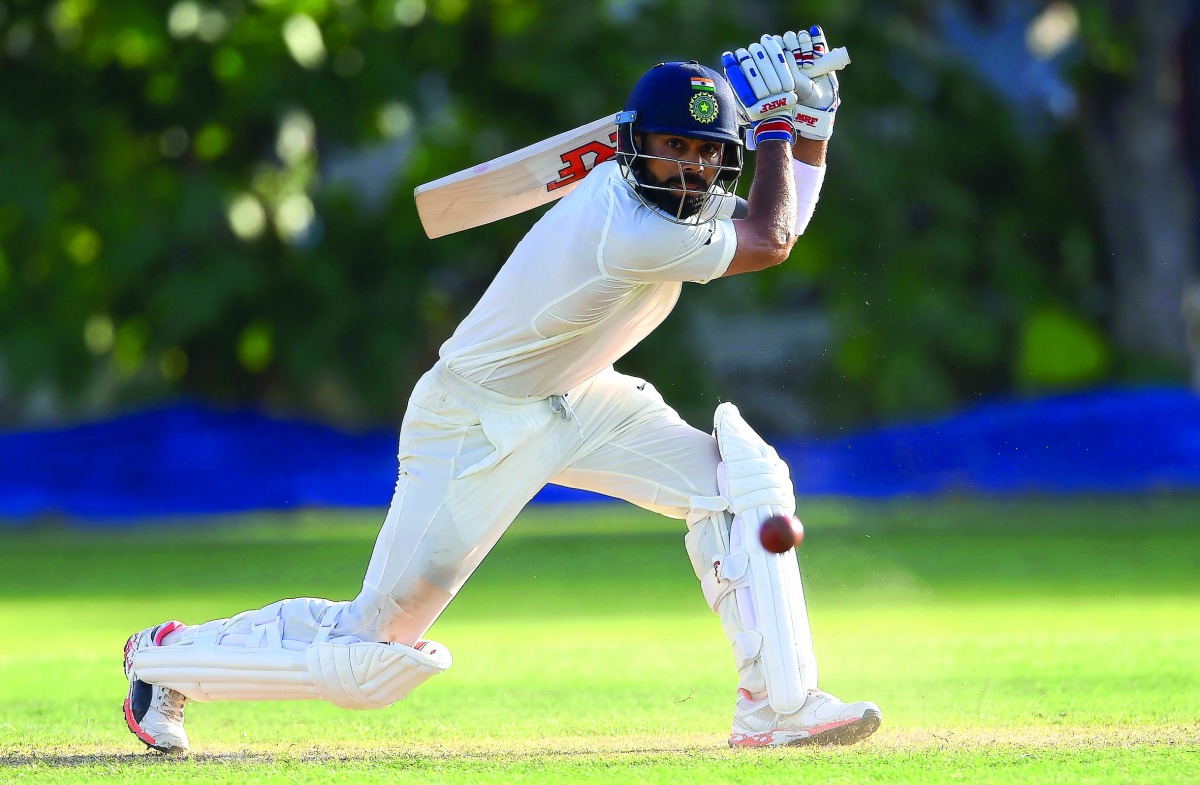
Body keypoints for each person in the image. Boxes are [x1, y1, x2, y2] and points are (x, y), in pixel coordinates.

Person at [122, 27, 882, 754]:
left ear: (722, 161)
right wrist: (782, 126)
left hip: (584, 398)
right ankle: (164, 660)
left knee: (742, 482)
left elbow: (774, 222)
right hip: (477, 420)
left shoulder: (685, 201)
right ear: (632, 149)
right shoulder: (631, 227)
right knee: (370, 658)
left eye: (701, 155)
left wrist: (812, 124)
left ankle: (776, 707)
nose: (686, 169)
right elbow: (772, 239)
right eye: (670, 149)